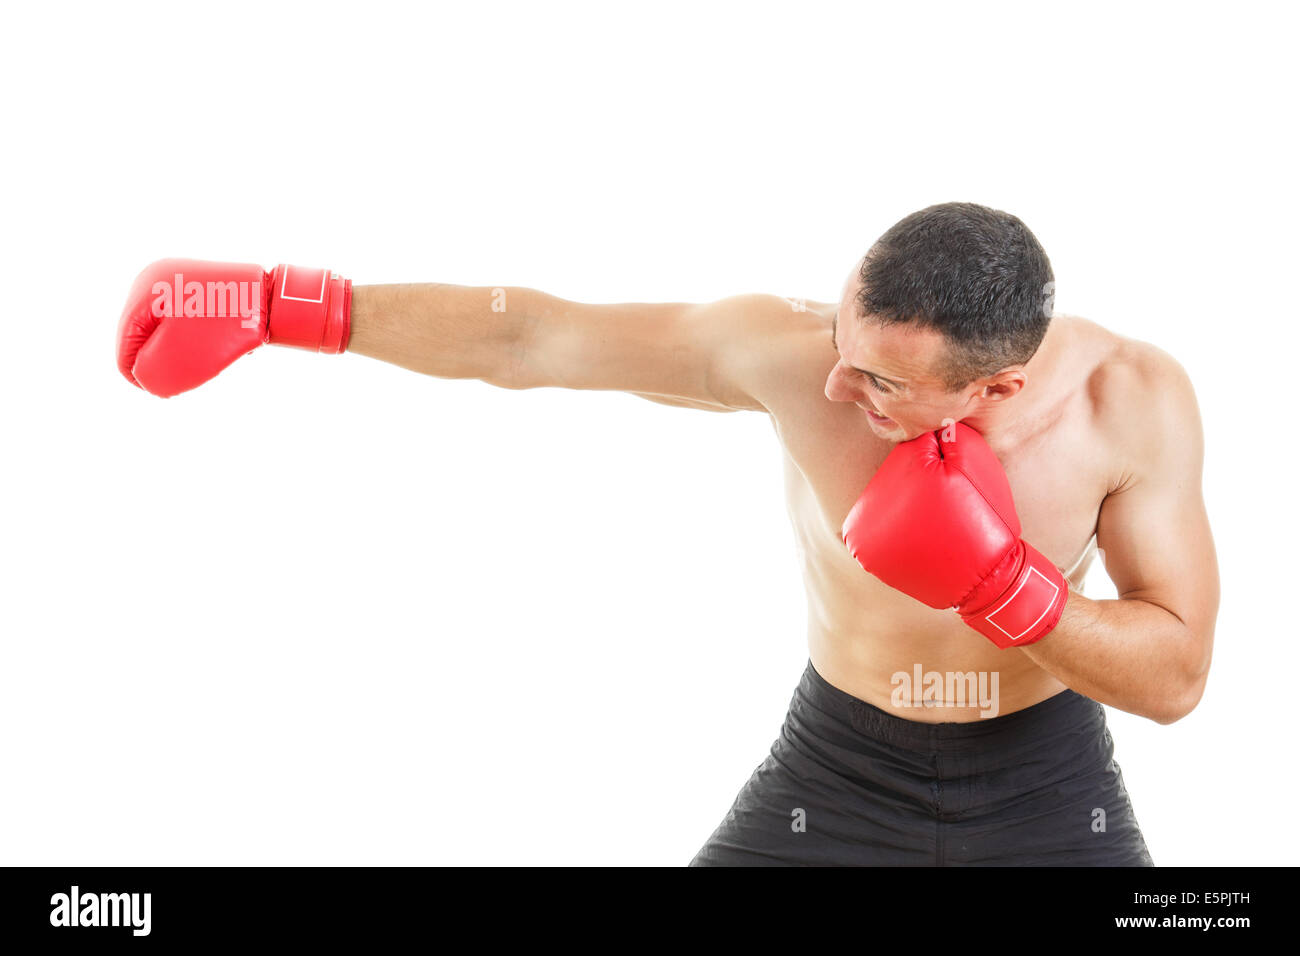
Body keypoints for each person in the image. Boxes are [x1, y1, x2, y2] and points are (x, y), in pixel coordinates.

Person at [115, 202, 1218, 865]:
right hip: (837, 764)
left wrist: (997, 581)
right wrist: (285, 305)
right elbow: (536, 337)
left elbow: (1174, 676)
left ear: (998, 384)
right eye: (843, 337)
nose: (839, 381)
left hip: (1039, 775)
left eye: (881, 379)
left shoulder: (1129, 401)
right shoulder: (795, 360)